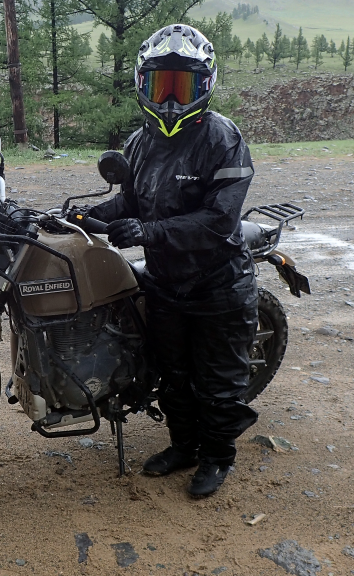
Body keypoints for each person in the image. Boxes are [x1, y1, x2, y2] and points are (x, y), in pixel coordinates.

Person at [89, 23, 259, 498]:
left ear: (204, 86)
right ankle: (184, 447)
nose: (168, 99)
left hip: (218, 284)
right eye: (160, 85)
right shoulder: (140, 142)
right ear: (142, 85)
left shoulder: (223, 139)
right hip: (164, 282)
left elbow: (219, 220)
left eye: (180, 87)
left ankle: (218, 457)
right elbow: (130, 200)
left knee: (218, 382)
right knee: (173, 375)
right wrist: (83, 216)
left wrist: (149, 232)